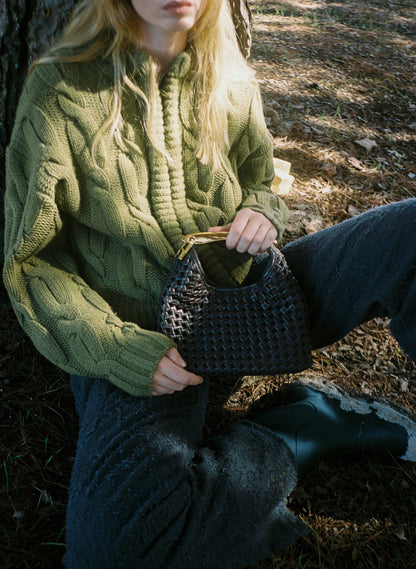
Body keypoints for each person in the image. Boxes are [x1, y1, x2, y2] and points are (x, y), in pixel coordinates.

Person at [3, 1, 416, 567]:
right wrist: (118, 348)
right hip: (149, 350)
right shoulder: (59, 90)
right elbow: (31, 263)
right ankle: (294, 433)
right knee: (112, 552)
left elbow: (259, 177)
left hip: (250, 301)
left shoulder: (229, 72)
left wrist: (263, 210)